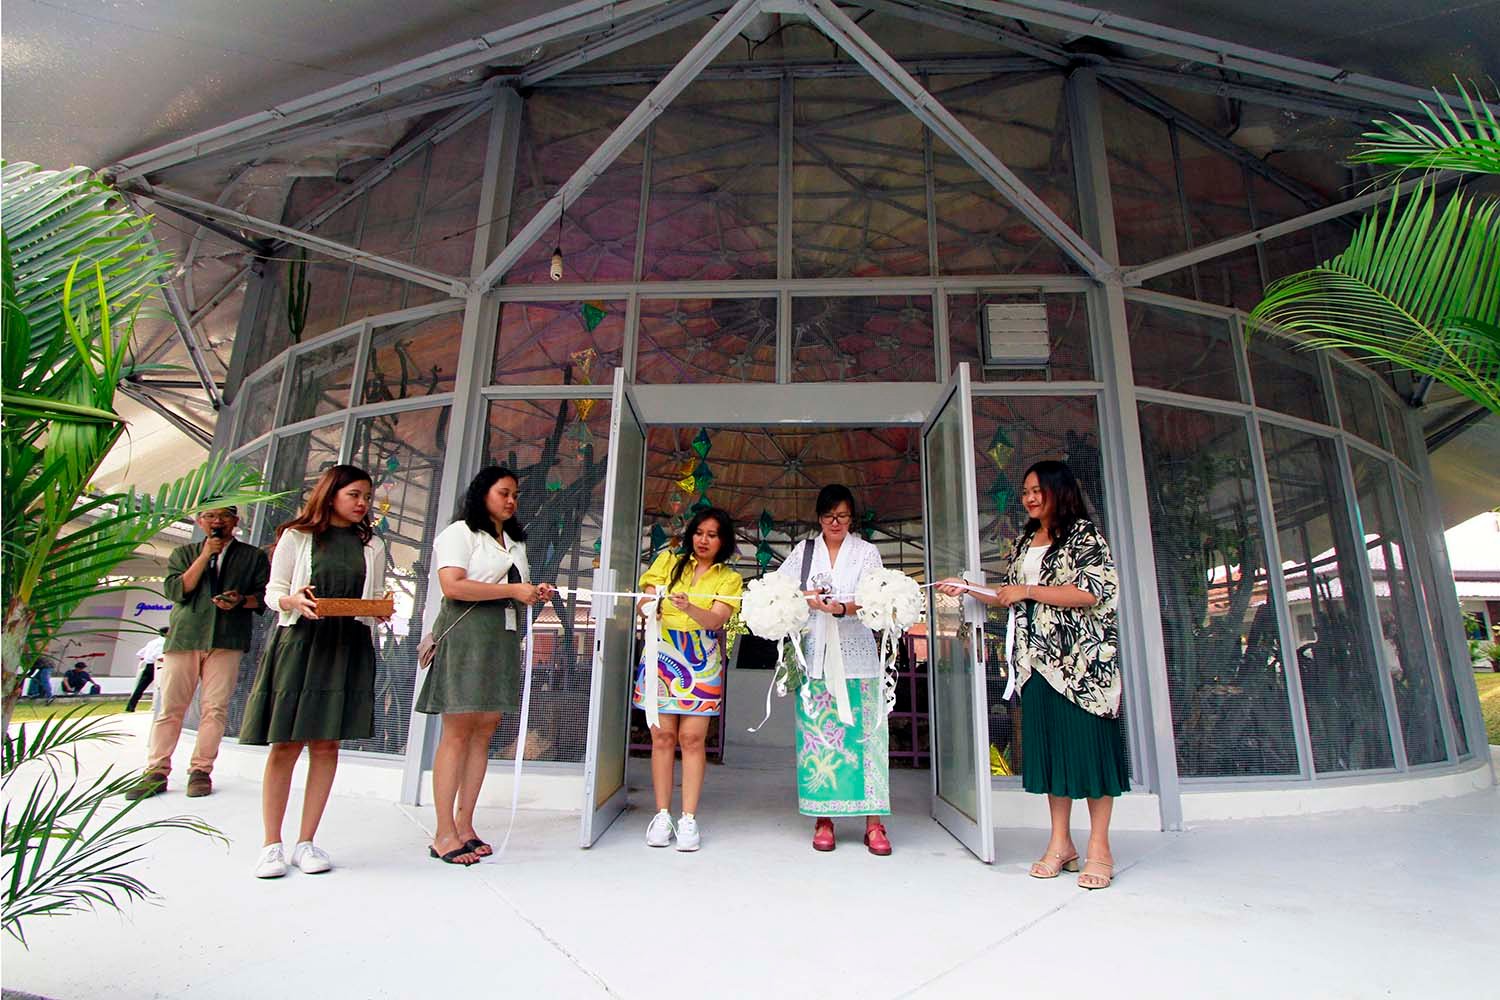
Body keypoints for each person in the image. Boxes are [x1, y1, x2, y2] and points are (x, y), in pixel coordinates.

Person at [939, 459, 1125, 890]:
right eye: (1025, 491)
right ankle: (1061, 843)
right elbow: (1009, 595)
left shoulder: (1084, 535)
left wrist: (1028, 590)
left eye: (1037, 489)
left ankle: (1100, 848)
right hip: (1036, 665)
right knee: (1054, 752)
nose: (1029, 497)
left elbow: (1091, 591)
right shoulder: (1026, 541)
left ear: (1061, 490)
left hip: (1082, 665)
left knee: (1090, 751)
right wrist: (966, 588)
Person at [239, 465, 388, 879]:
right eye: (354, 495)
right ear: (331, 494)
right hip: (301, 642)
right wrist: (293, 600)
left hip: (348, 644)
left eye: (367, 497)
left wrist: (380, 609)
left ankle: (306, 841)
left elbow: (374, 596)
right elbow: (273, 593)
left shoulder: (372, 544)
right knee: (286, 744)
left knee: (326, 744)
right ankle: (271, 844)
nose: (362, 504)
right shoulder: (297, 536)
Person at [417, 467, 554, 866]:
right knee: (458, 731)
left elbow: (514, 590)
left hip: (503, 636)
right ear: (482, 494)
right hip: (466, 634)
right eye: (503, 493)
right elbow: (453, 585)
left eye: (515, 495)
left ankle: (465, 825)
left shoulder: (514, 541)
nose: (511, 501)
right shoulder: (459, 533)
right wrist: (512, 589)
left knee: (484, 731)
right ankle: (443, 832)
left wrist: (532, 593)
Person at [776, 484, 892, 856]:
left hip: (858, 657)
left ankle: (874, 822)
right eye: (829, 516)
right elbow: (780, 591)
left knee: (867, 737)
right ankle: (824, 818)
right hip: (815, 657)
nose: (835, 522)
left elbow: (876, 598)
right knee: (821, 740)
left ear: (851, 517)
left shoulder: (866, 552)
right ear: (819, 518)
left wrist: (842, 608)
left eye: (842, 516)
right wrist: (806, 599)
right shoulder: (804, 551)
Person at [125, 507, 271, 800]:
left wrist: (240, 601)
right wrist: (205, 556)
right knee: (171, 708)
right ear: (199, 521)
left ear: (236, 521)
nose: (218, 521)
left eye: (225, 516)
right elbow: (177, 591)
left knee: (215, 708)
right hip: (185, 638)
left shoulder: (252, 556)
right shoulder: (184, 553)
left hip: (226, 640)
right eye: (210, 516)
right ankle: (156, 770)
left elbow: (264, 597)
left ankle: (201, 770)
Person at [634, 506, 742, 852]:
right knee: (663, 737)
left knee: (693, 739)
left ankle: (689, 818)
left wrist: (687, 606)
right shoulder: (668, 560)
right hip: (662, 653)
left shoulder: (730, 578)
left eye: (712, 535)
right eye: (699, 533)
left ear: (723, 541)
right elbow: (644, 602)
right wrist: (651, 604)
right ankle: (662, 815)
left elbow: (716, 620)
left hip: (702, 659)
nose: (703, 540)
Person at [125, 627, 169, 713]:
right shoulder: (164, 642)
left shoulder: (152, 642)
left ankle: (131, 706)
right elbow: (158, 656)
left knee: (141, 687)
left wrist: (146, 659)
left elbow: (140, 654)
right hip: (158, 666)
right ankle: (160, 707)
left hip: (148, 665)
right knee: (162, 687)